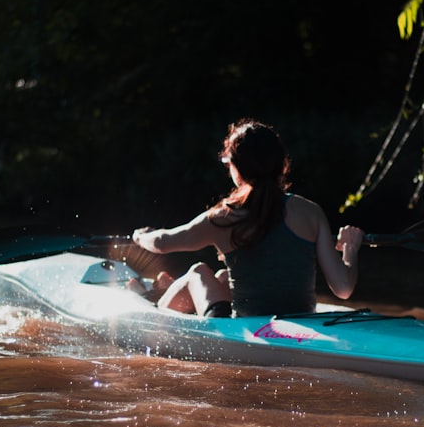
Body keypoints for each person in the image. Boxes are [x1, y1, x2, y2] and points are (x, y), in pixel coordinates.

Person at [131, 118, 364, 318]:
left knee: (199, 271)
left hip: (244, 326)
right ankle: (161, 290)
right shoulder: (311, 212)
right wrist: (350, 248)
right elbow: (343, 288)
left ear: (235, 167)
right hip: (302, 321)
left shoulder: (223, 217)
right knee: (222, 277)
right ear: (282, 165)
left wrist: (141, 236)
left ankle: (152, 300)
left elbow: (162, 242)